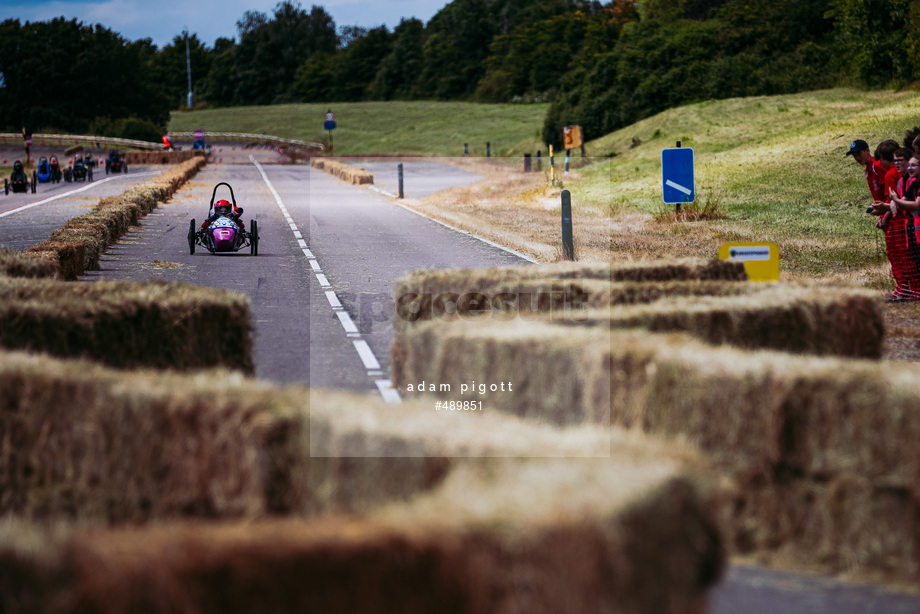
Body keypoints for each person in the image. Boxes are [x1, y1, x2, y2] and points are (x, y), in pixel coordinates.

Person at [885, 156, 920, 301]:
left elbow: (917, 205)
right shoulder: (915, 183)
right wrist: (888, 208)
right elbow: (902, 201)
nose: (910, 168)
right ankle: (909, 290)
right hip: (912, 229)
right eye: (909, 165)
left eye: (914, 165)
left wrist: (894, 201)